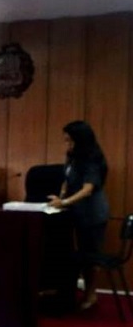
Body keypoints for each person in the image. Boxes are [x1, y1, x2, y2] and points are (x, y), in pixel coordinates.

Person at [47, 120, 110, 311]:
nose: (67, 144)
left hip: (93, 213)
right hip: (77, 212)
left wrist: (64, 202)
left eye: (70, 140)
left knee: (91, 255)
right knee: (80, 253)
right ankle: (69, 292)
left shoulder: (92, 158)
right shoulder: (72, 156)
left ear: (81, 140)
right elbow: (67, 180)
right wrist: (61, 196)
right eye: (65, 140)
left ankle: (91, 295)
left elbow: (87, 190)